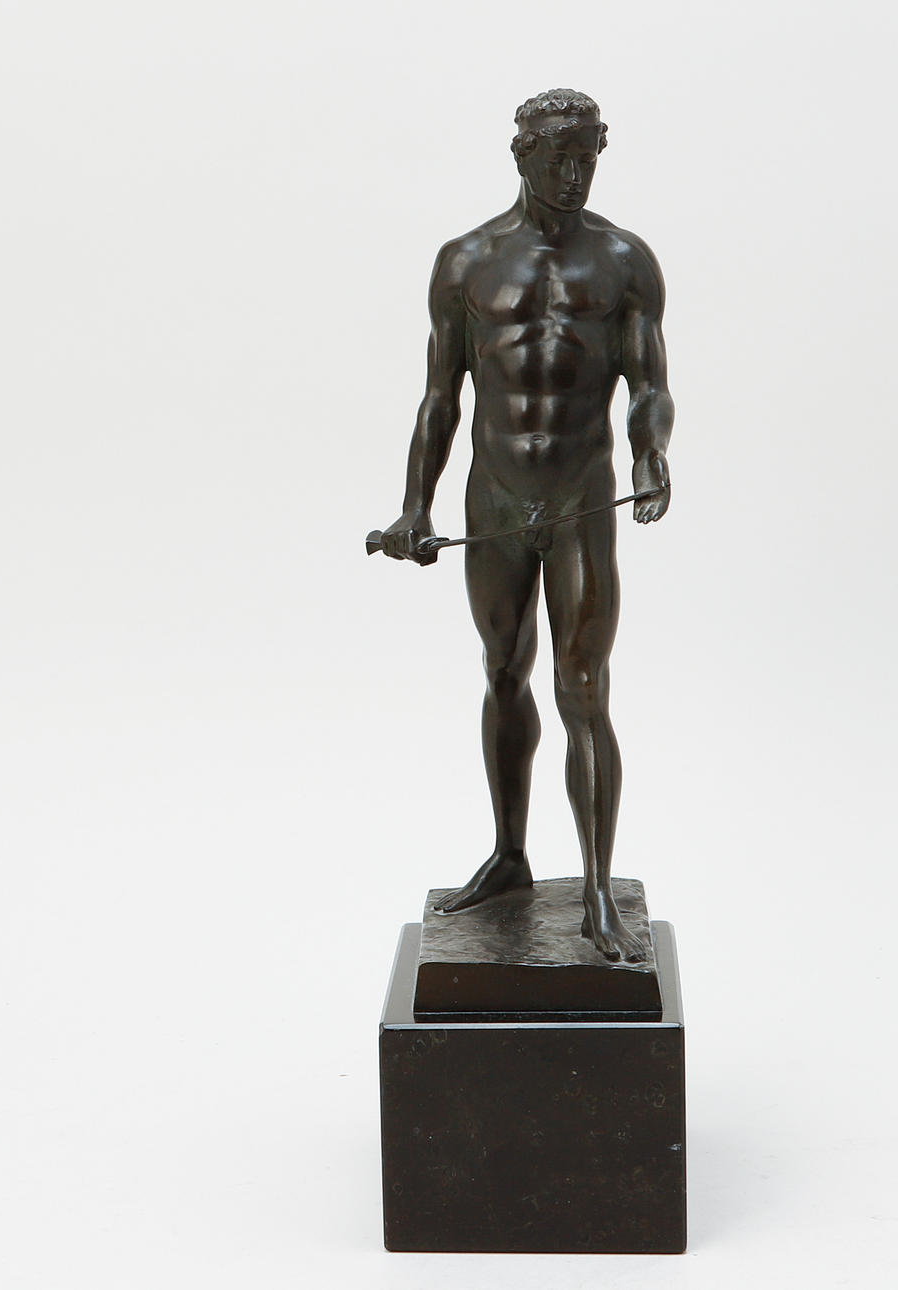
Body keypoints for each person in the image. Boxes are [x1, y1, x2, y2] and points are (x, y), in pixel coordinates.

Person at [380, 89, 673, 962]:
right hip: (496, 502)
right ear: (523, 158)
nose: (574, 176)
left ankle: (596, 890)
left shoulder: (624, 262)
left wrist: (651, 455)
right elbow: (440, 396)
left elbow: (649, 384)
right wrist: (415, 507)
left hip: (581, 499)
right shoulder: (467, 262)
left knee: (583, 689)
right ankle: (510, 855)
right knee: (504, 671)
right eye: (559, 159)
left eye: (587, 158)